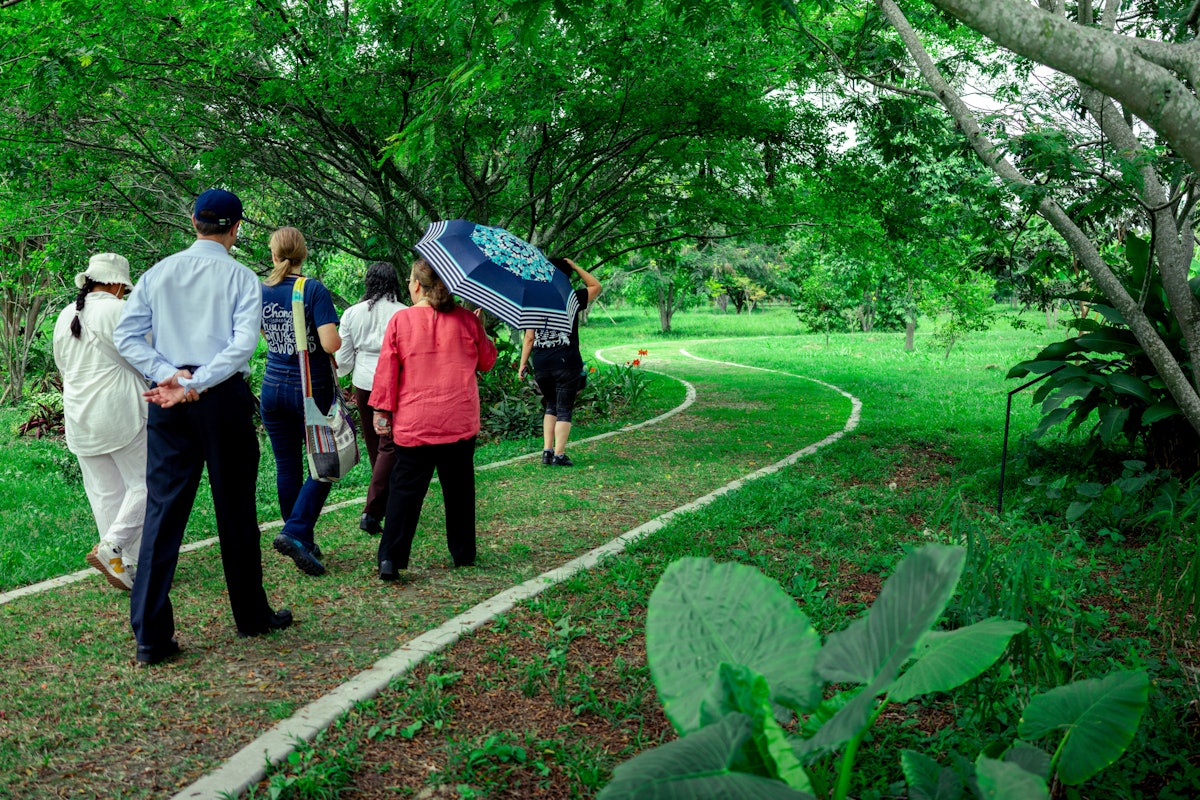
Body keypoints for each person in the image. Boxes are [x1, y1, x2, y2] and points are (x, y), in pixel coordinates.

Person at [114, 188, 292, 666]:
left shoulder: (157, 274)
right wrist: (197, 381)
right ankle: (252, 616)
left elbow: (125, 336)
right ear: (236, 228)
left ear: (194, 220)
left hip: (169, 399)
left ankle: (150, 636)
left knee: (164, 511)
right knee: (235, 506)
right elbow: (240, 347)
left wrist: (170, 375)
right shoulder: (241, 278)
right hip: (222, 399)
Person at [370, 257, 497, 580]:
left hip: (415, 423)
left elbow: (387, 371)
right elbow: (486, 362)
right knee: (460, 489)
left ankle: (391, 558)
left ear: (415, 286)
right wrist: (480, 329)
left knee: (404, 492)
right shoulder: (468, 320)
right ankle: (463, 553)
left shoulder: (401, 321)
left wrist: (381, 411)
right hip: (458, 421)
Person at [51, 253, 147, 591]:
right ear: (119, 284)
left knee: (106, 495)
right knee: (147, 483)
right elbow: (145, 357)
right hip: (121, 412)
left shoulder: (64, 316)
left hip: (80, 415)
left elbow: (63, 368)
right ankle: (114, 547)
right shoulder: (118, 310)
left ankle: (124, 566)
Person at [259, 227, 341, 576]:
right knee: (327, 463)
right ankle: (295, 531)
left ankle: (300, 536)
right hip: (309, 385)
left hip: (272, 385)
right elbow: (330, 344)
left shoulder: (260, 290)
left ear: (274, 255)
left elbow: (263, 334)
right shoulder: (312, 289)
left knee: (287, 464)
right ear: (303, 254)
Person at [334, 261, 406, 536]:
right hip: (396, 383)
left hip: (364, 383)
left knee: (376, 444)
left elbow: (343, 361)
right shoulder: (404, 312)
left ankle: (380, 502)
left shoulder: (352, 313)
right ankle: (378, 506)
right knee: (393, 445)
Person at [517, 257, 601, 466]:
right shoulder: (570, 297)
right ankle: (559, 455)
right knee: (564, 408)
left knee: (550, 405)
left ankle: (547, 451)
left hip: (542, 364)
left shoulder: (534, 301)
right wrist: (575, 266)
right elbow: (596, 286)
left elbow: (529, 337)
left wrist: (522, 364)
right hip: (566, 362)